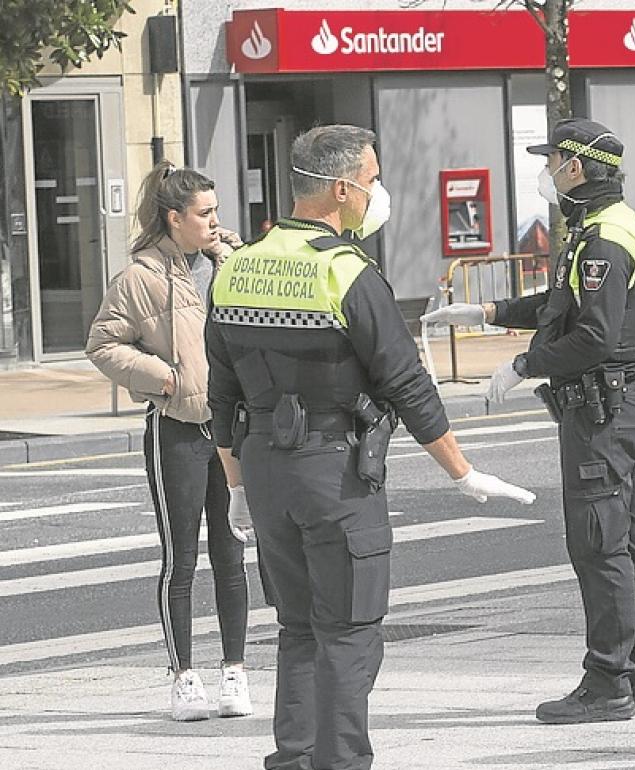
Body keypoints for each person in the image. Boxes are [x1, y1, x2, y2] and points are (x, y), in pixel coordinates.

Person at [205, 124, 535, 770]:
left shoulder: (234, 269)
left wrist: (238, 490)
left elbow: (221, 399)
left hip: (267, 475)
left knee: (297, 629)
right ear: (340, 189)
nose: (376, 192)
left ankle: (294, 758)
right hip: (334, 475)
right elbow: (407, 385)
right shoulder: (348, 274)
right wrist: (462, 473)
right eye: (371, 179)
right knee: (350, 633)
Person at [421, 117, 635, 725]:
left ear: (576, 168)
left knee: (598, 543)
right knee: (634, 537)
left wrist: (522, 365)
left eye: (553, 159)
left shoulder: (604, 239)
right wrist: (487, 310)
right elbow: (560, 304)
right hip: (621, 404)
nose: (546, 169)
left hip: (602, 409)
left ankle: (606, 683)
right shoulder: (605, 226)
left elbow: (591, 335)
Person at [86, 160, 253, 722]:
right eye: (204, 213)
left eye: (216, 211)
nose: (215, 221)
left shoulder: (230, 262)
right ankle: (184, 676)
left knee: (232, 551)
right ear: (174, 217)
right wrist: (163, 376)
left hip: (230, 427)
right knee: (179, 558)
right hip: (175, 428)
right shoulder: (139, 277)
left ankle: (236, 670)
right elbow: (103, 344)